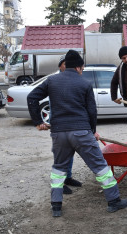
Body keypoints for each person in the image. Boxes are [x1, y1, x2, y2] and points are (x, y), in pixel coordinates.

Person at [27, 50, 127, 217]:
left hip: (59, 134)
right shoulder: (84, 84)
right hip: (81, 132)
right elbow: (91, 111)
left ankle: (56, 206)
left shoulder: (52, 80)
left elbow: (32, 97)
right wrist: (93, 131)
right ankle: (114, 201)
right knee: (100, 167)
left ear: (65, 65)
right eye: (82, 68)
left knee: (59, 169)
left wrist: (38, 121)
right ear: (79, 67)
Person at [56, 55, 82, 195]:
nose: (67, 67)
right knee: (61, 156)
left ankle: (68, 177)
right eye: (64, 64)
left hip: (72, 124)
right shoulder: (56, 81)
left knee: (70, 152)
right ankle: (59, 184)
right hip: (61, 126)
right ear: (60, 66)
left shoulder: (72, 79)